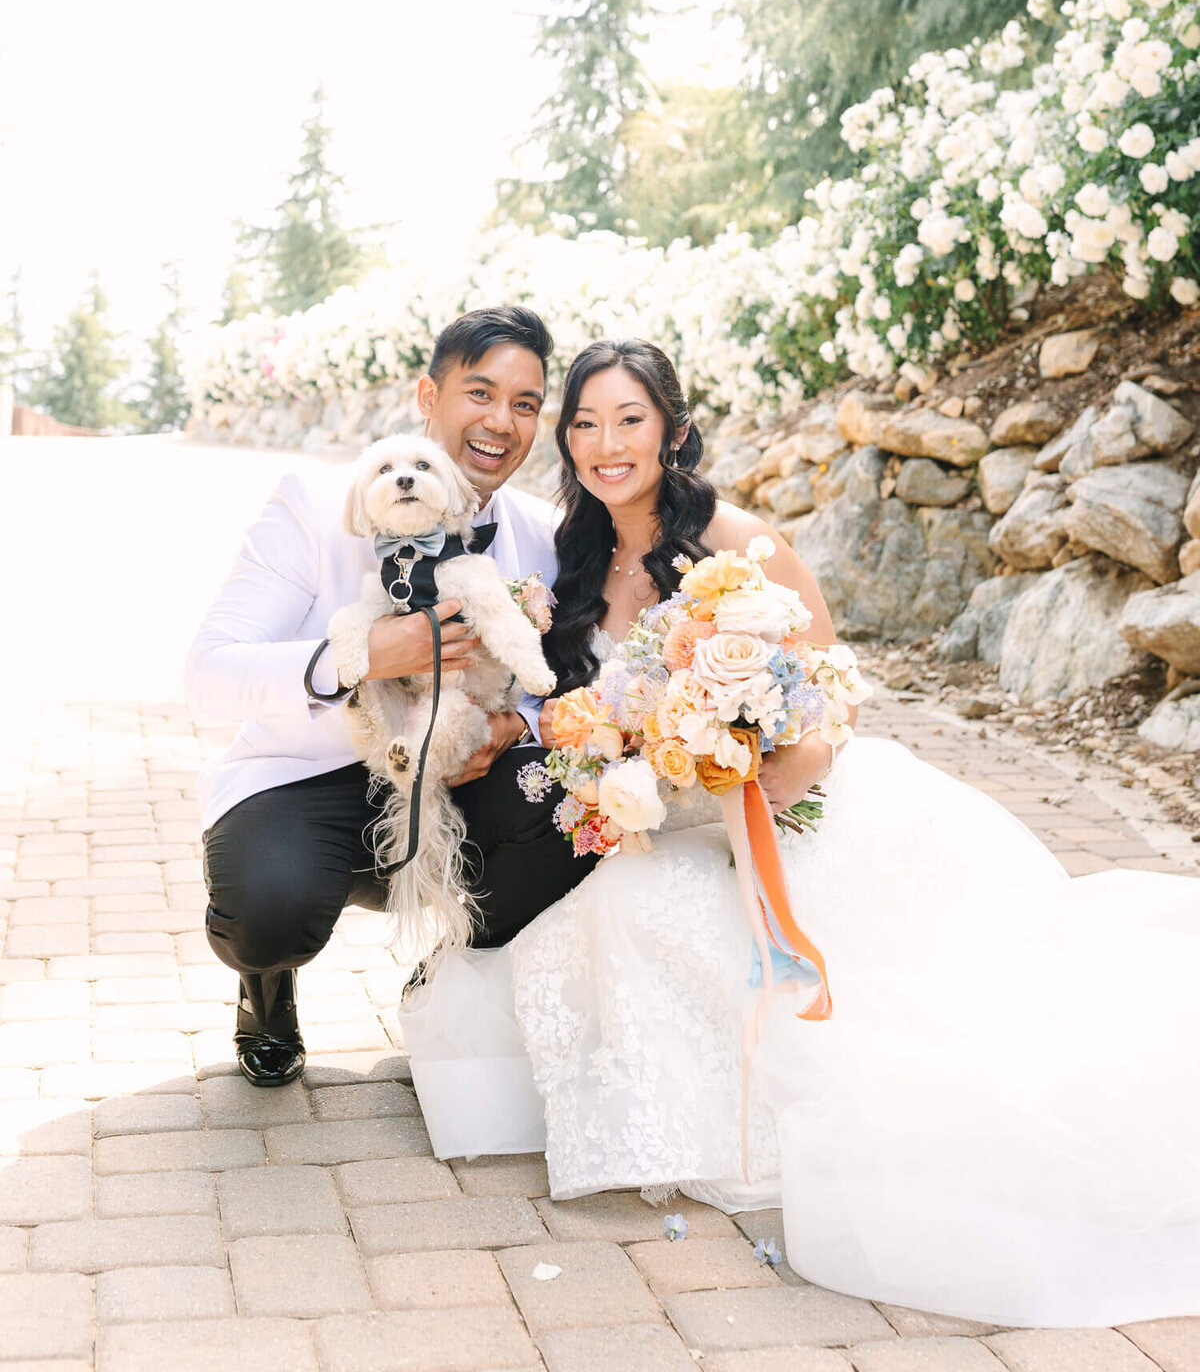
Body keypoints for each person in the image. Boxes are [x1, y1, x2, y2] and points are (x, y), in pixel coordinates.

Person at [402, 337, 1200, 1330]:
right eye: (586, 423)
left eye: (630, 420)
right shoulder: (570, 554)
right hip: (656, 817)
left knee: (663, 921)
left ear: (675, 431)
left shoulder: (739, 544)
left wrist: (774, 775)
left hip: (778, 809)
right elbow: (579, 704)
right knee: (591, 908)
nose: (606, 443)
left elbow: (832, 697)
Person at [185, 306, 597, 1086]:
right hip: (310, 776)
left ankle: (451, 981)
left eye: (524, 404)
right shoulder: (313, 505)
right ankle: (266, 987)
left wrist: (511, 725)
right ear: (427, 395)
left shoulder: (542, 534)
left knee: (573, 805)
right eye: (480, 392)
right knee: (268, 912)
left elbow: (570, 684)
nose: (500, 423)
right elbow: (209, 672)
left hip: (456, 771)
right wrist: (367, 656)